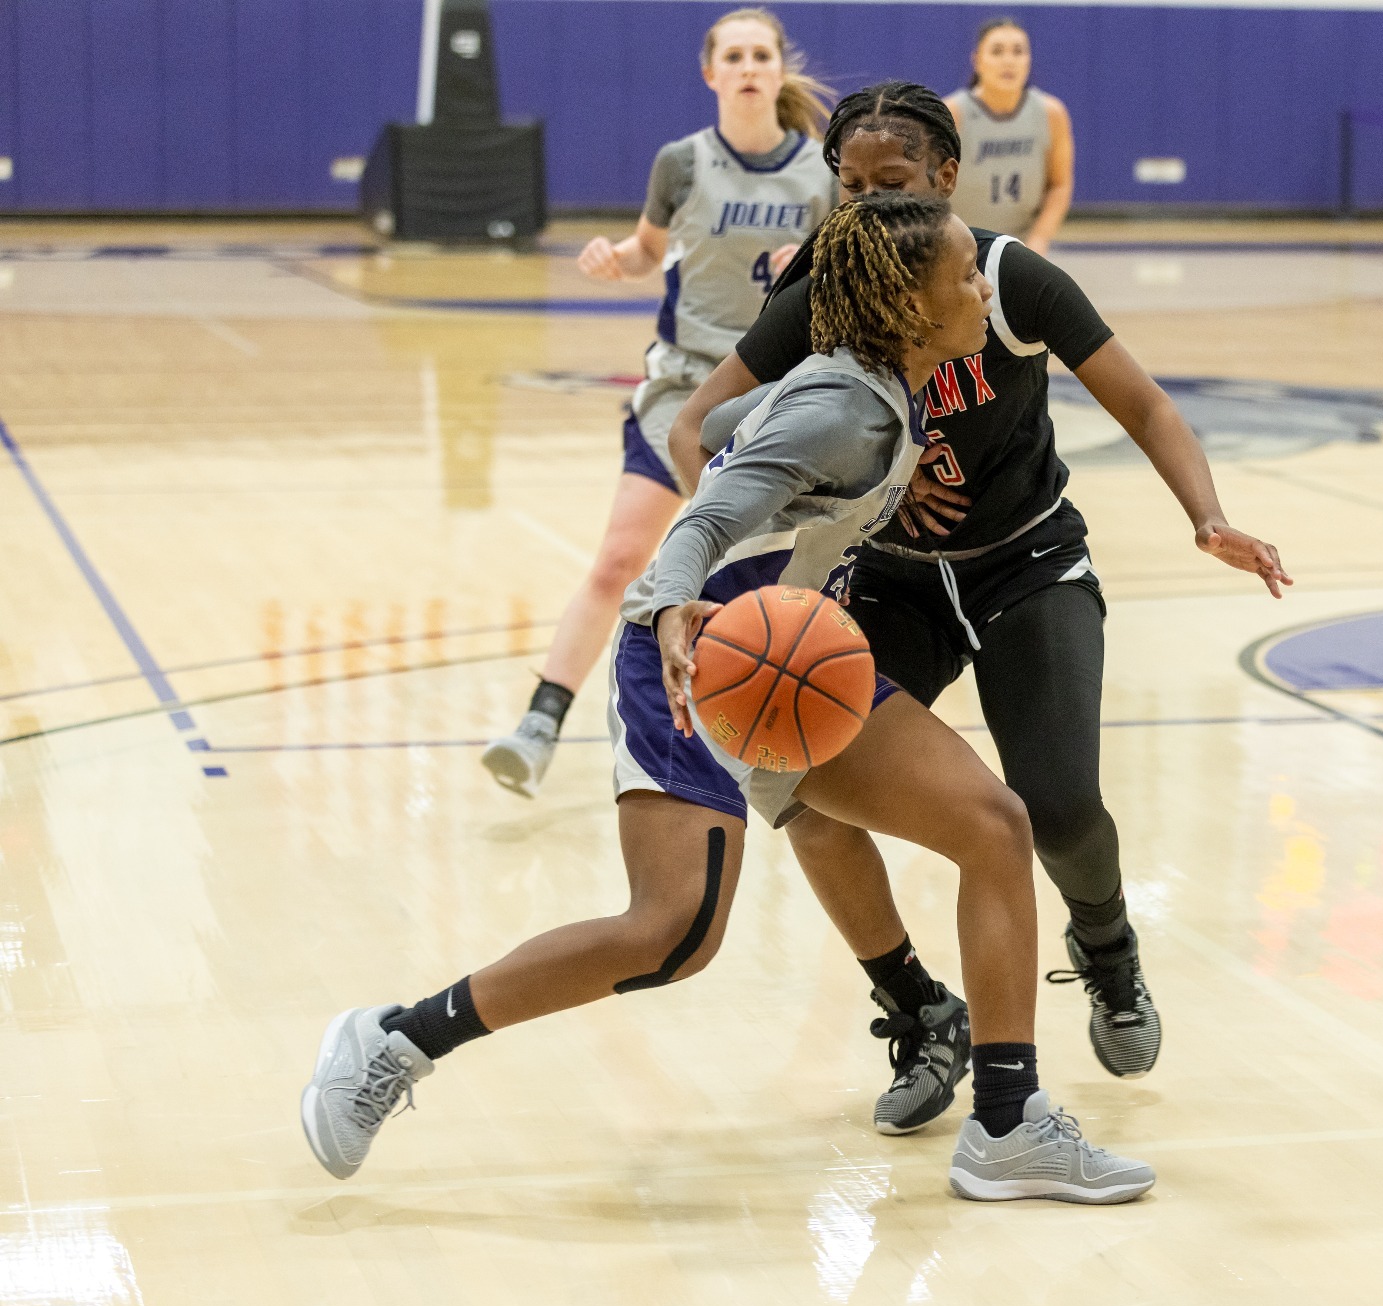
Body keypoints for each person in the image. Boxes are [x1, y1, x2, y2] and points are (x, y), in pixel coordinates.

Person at [303, 193, 1156, 1206]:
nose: (983, 286)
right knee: (672, 932)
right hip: (697, 657)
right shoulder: (843, 406)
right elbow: (701, 517)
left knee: (991, 825)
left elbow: (711, 425)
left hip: (787, 658)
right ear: (907, 302)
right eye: (965, 273)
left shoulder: (886, 382)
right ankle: (395, 1039)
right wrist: (673, 608)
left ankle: (1007, 1121)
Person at [668, 82, 1288, 1132]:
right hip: (890, 578)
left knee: (1055, 807)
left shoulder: (999, 278)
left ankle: (1103, 942)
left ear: (945, 178)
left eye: (891, 183)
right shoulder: (828, 284)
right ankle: (917, 1008)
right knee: (801, 788)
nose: (863, 203)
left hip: (1025, 566)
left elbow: (1142, 401)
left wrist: (1205, 516)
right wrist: (847, 488)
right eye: (849, 183)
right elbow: (694, 428)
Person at [480, 8, 837, 796]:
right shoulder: (682, 162)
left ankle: (757, 732)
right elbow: (649, 250)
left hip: (774, 402)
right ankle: (541, 721)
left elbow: (841, 293)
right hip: (681, 391)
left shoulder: (821, 174)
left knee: (760, 580)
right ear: (711, 74)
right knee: (618, 559)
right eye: (734, 56)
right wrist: (618, 259)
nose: (748, 67)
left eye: (761, 54)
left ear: (779, 69)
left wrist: (807, 267)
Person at [944, 18, 1074, 253]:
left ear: (1029, 60)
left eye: (1018, 51)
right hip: (960, 244)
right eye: (997, 51)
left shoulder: (1051, 113)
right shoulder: (953, 113)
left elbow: (1059, 185)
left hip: (1021, 246)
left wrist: (1039, 239)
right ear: (977, 61)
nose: (1008, 61)